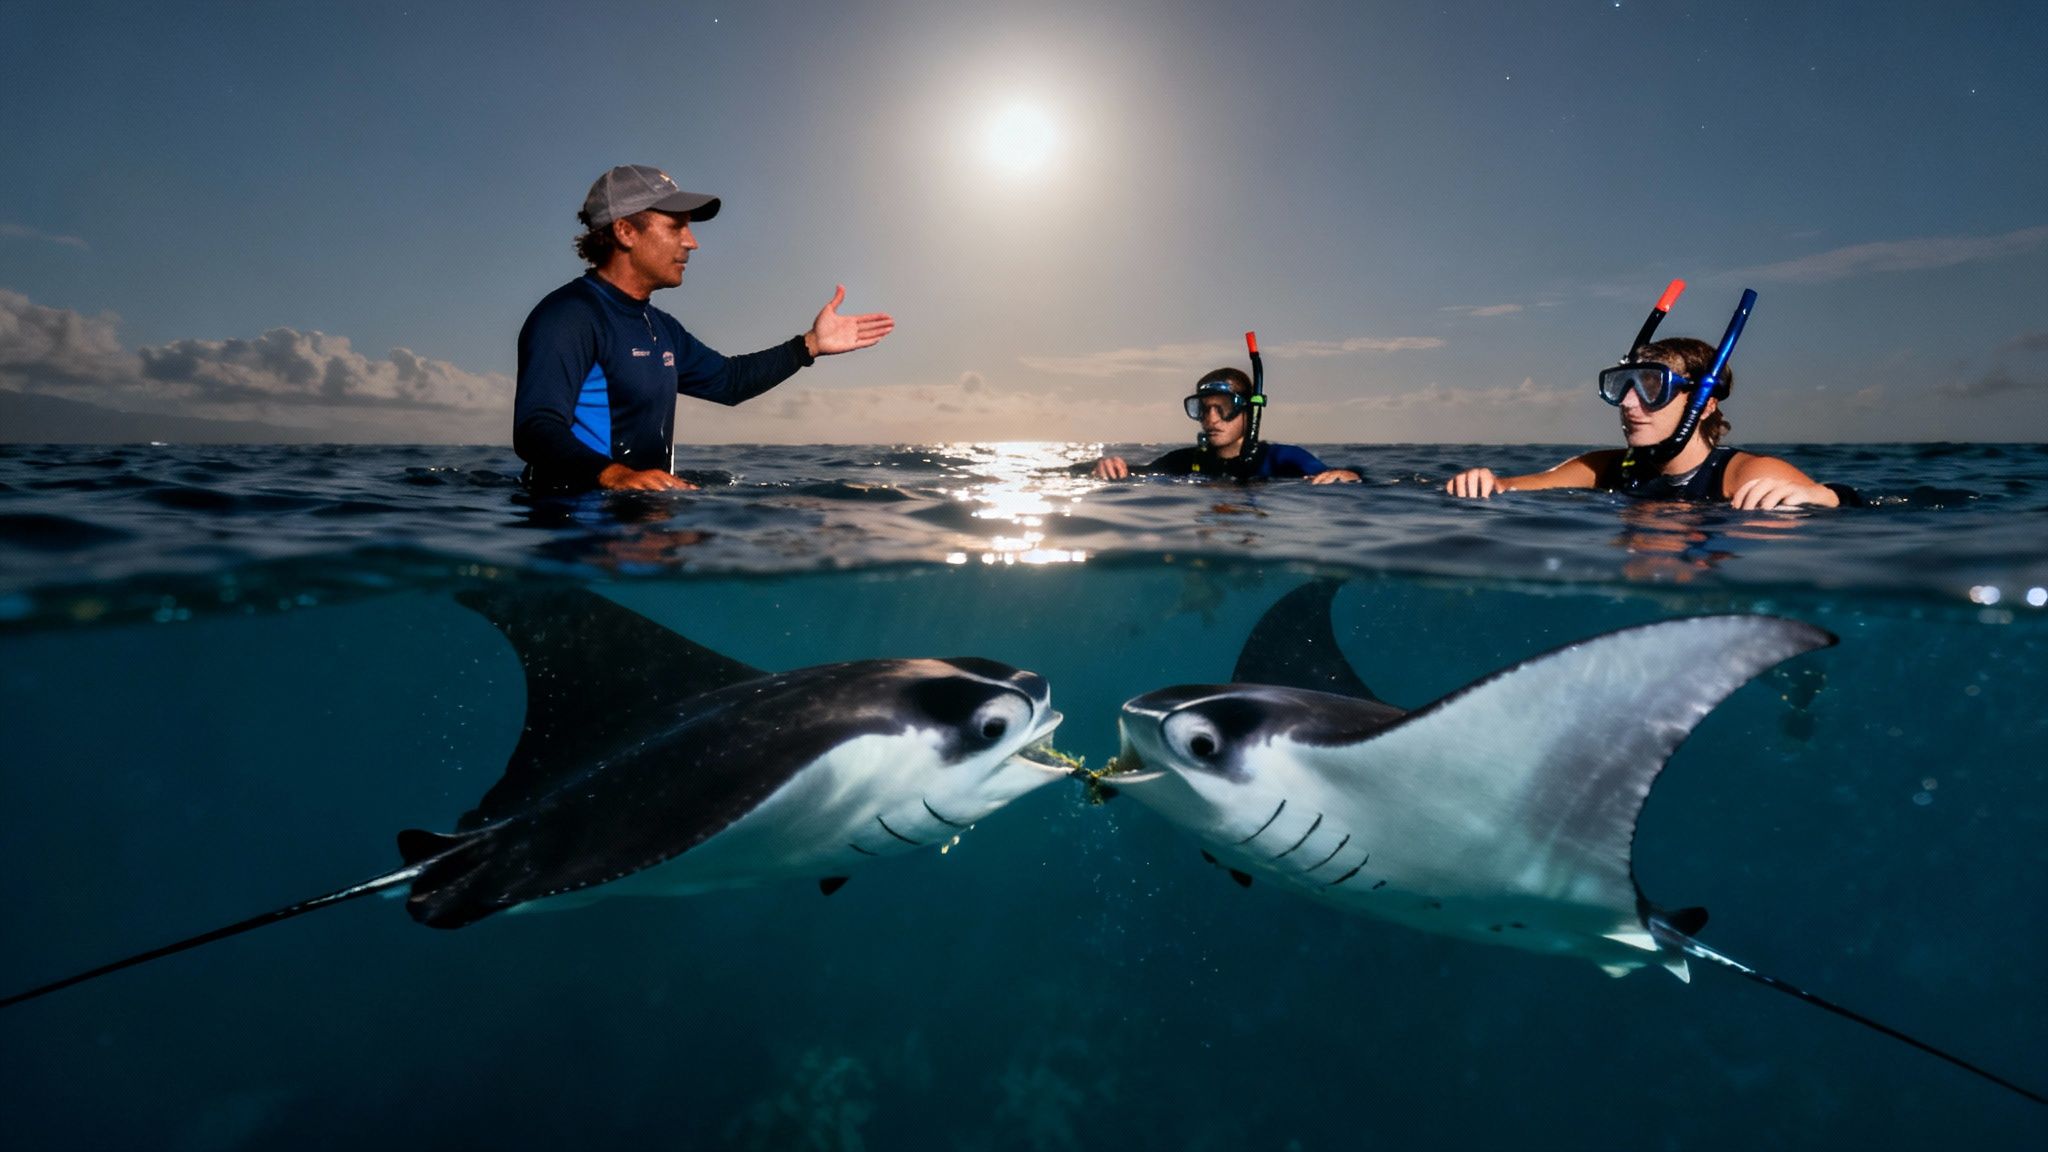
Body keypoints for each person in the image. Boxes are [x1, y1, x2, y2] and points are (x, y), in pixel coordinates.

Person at [515, 164, 894, 492]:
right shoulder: (568, 317)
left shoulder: (660, 327)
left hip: (641, 520)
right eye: (676, 226)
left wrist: (808, 345)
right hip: (574, 527)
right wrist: (613, 475)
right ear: (626, 231)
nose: (692, 242)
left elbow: (729, 382)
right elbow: (537, 427)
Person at [1444, 337, 1849, 509]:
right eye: (1623, 387)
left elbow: (1837, 504)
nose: (1630, 404)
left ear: (1704, 404)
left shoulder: (1744, 474)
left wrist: (1823, 498)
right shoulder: (1606, 467)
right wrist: (1487, 482)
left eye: (1653, 389)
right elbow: (1513, 487)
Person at [1092, 368, 1360, 483]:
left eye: (1224, 407)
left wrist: (1349, 477)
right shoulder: (1185, 461)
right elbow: (1137, 474)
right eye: (1203, 408)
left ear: (1249, 411)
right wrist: (1110, 467)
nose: (1212, 418)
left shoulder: (1282, 458)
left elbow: (1329, 476)